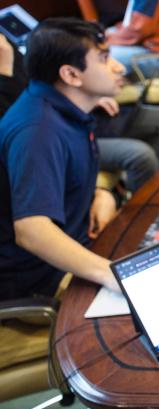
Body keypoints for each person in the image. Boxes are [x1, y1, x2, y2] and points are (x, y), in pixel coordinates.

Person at [0, 18, 124, 299]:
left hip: (75, 245)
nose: (119, 67)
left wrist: (100, 193)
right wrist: (111, 274)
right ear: (70, 75)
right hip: (42, 279)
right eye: (104, 59)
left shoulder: (64, 108)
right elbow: (32, 230)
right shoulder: (37, 131)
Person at [0, 33, 159, 194]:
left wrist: (87, 98)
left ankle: (154, 190)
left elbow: (39, 86)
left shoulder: (8, 46)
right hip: (57, 136)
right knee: (140, 155)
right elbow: (18, 124)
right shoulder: (4, 56)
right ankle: (142, 208)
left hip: (71, 116)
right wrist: (5, 72)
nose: (119, 68)